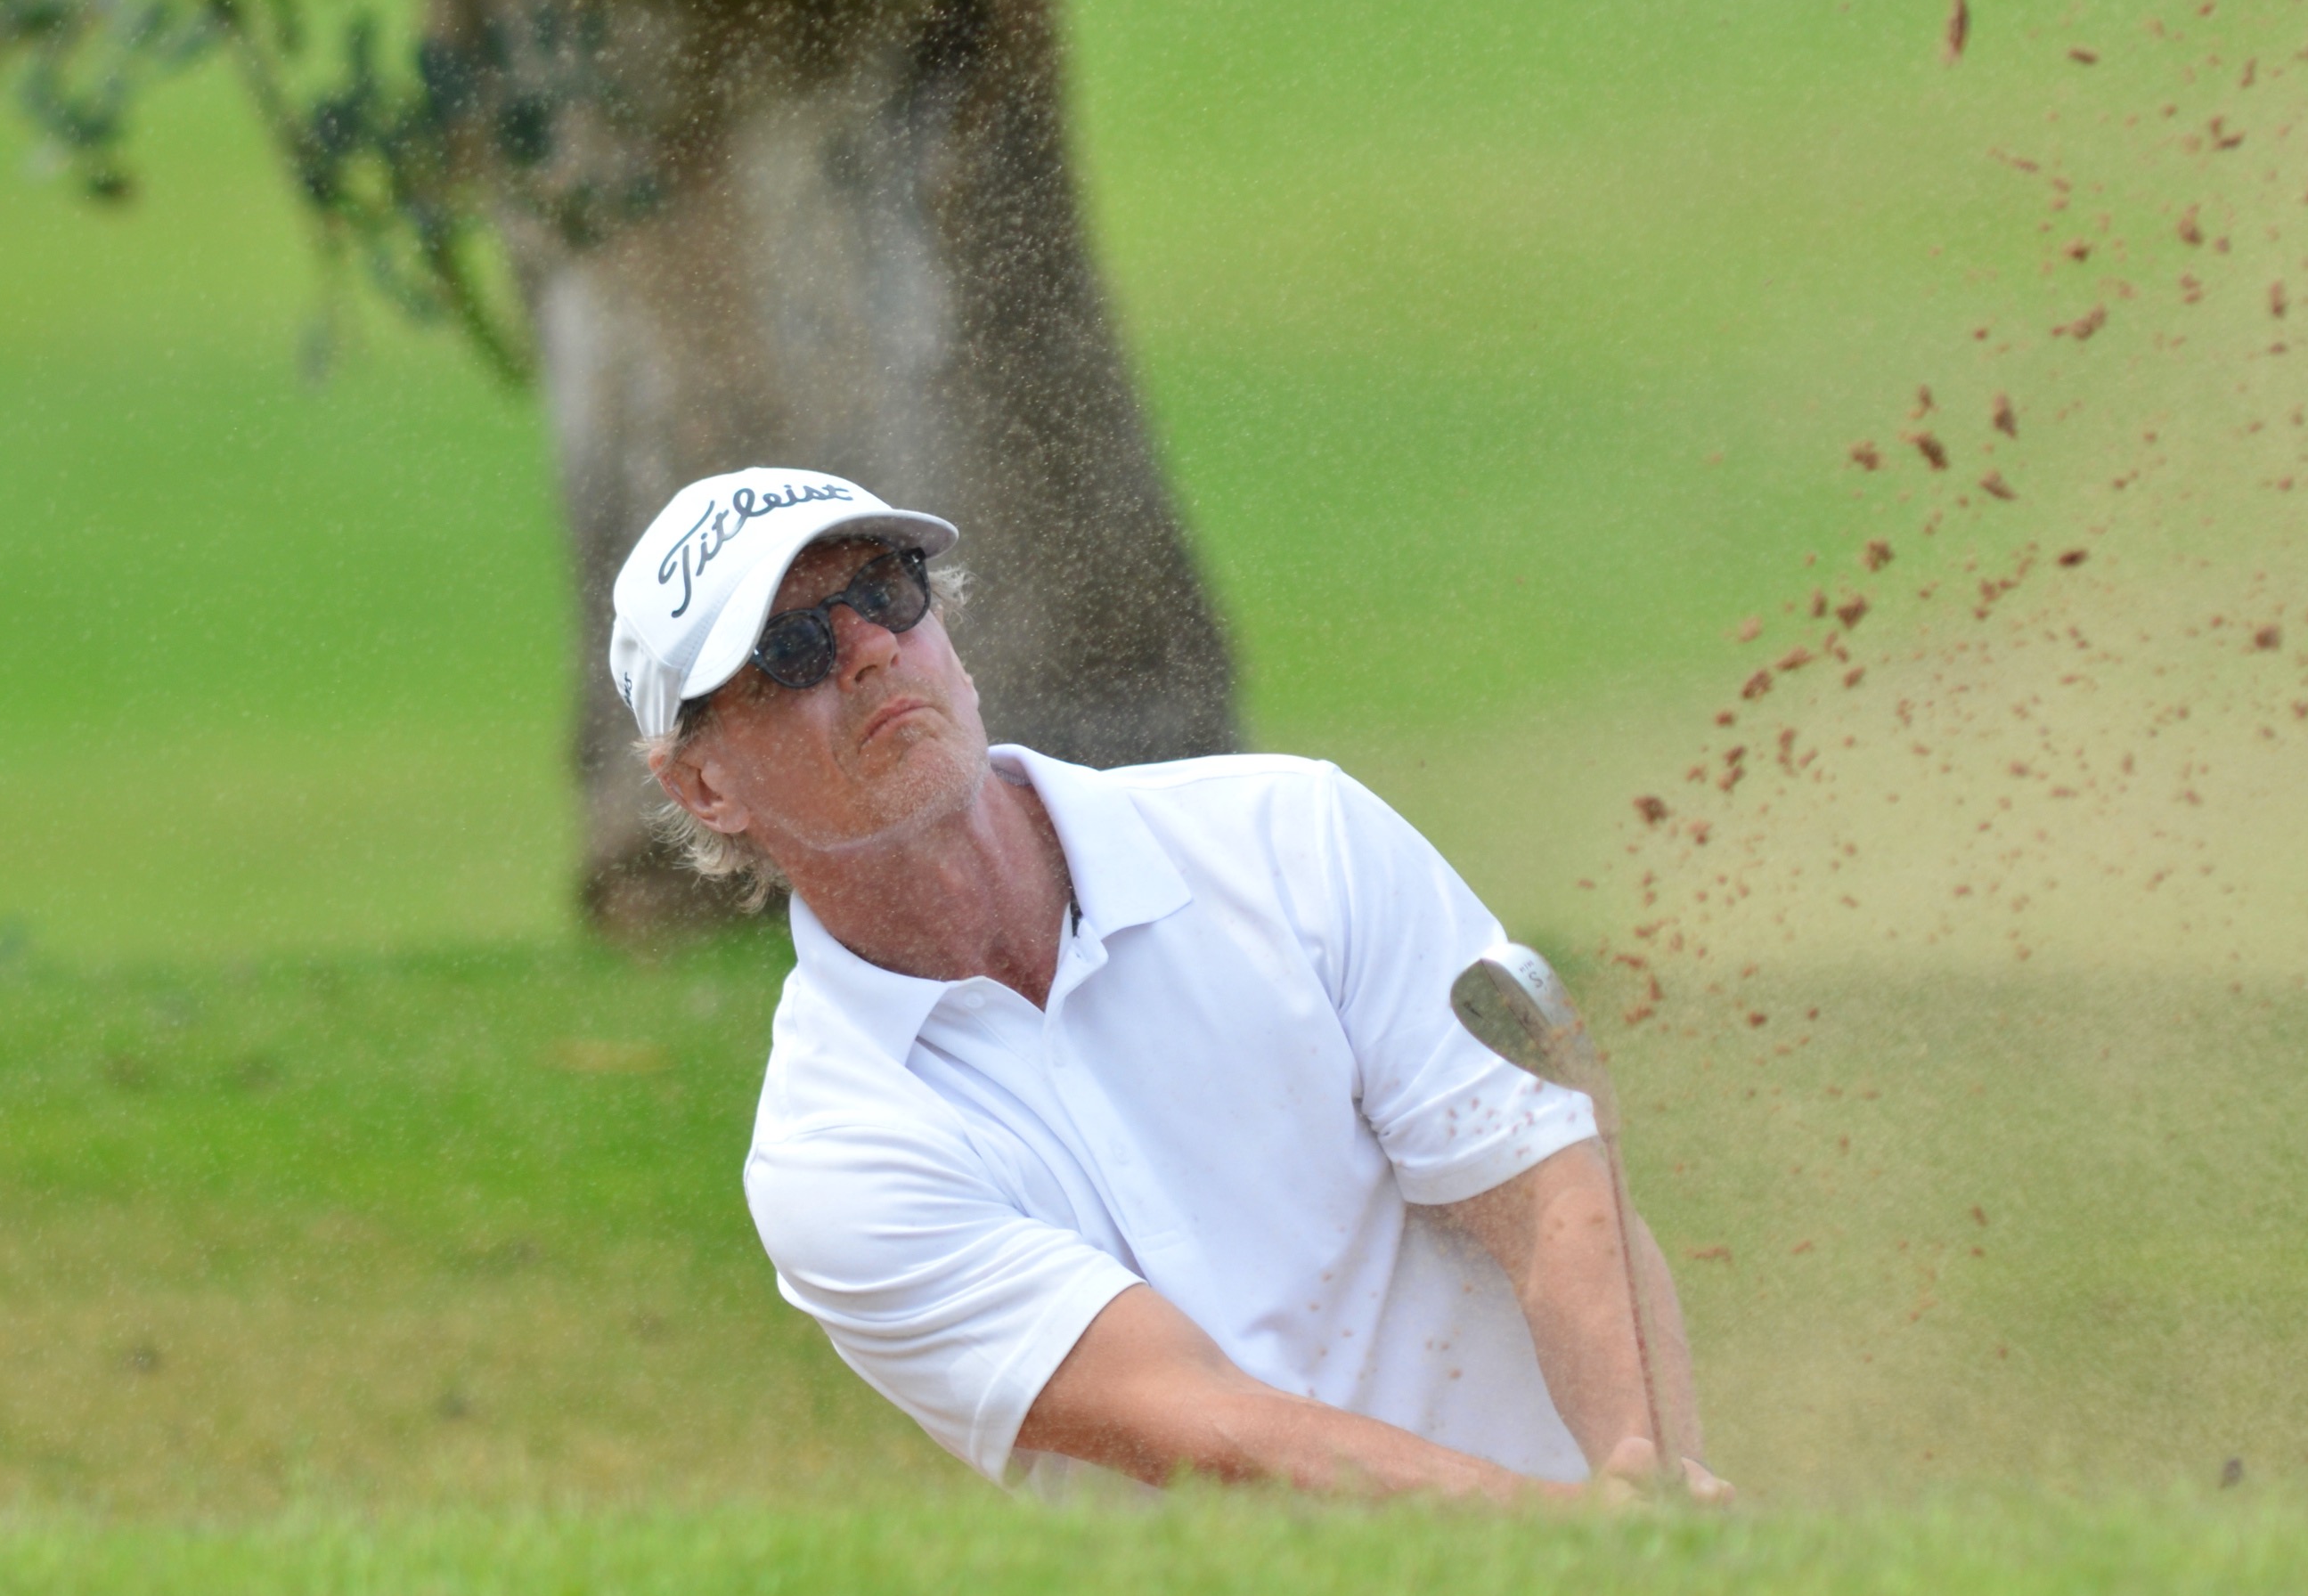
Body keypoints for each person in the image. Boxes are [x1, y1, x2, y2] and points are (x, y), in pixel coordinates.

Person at [614, 468, 1725, 1503]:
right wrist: (1575, 1544)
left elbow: (1543, 1195)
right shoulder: (834, 1153)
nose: (869, 651)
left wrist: (1642, 1479)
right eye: (794, 648)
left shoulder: (1294, 835)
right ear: (704, 783)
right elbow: (1209, 1425)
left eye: (887, 593)